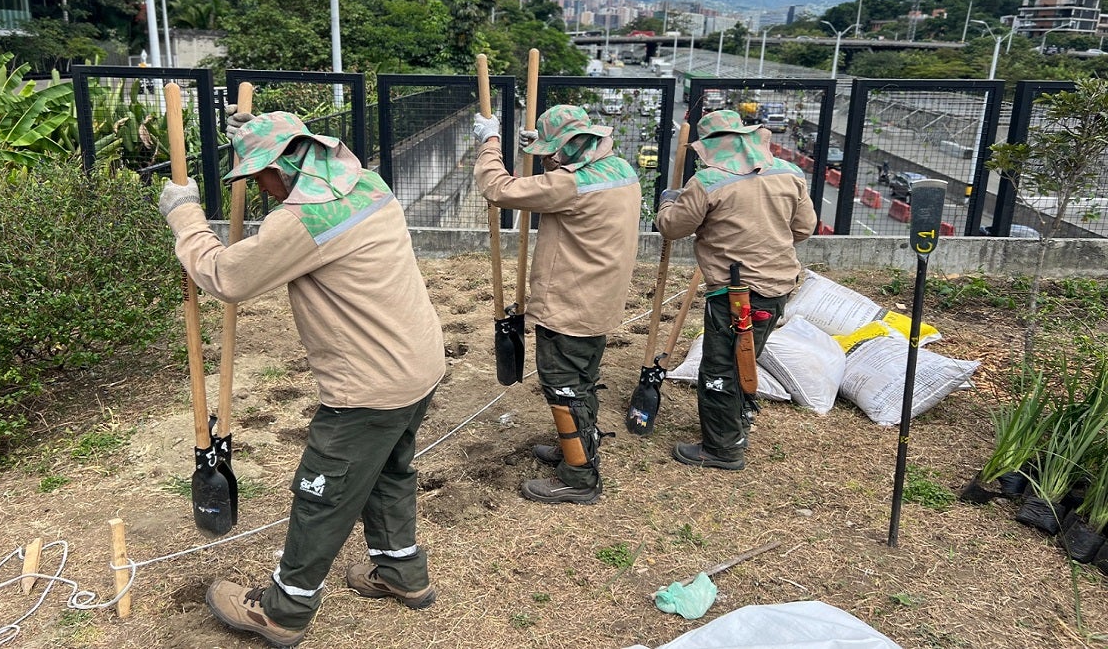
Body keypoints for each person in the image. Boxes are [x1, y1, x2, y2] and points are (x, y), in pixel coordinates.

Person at [158, 110, 446, 647]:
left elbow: (226, 276)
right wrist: (263, 130)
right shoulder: (365, 182)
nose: (258, 189)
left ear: (282, 167)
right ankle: (401, 572)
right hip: (418, 365)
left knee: (323, 493)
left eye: (258, 176)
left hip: (370, 386)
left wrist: (186, 217)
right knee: (388, 473)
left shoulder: (304, 219)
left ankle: (283, 610)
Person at [472, 104, 642, 505]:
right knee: (582, 379)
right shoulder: (620, 169)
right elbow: (564, 176)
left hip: (570, 304)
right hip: (599, 300)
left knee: (563, 387)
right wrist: (549, 150)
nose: (548, 157)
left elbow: (498, 188)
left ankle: (579, 476)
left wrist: (490, 141)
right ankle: (579, 443)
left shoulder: (570, 184)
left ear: (569, 147)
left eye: (553, 151)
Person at [655, 109, 816, 471]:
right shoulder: (789, 173)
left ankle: (722, 448)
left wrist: (668, 201)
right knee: (744, 358)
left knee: (720, 369)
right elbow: (804, 229)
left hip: (736, 292)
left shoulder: (708, 182)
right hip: (777, 287)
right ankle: (738, 420)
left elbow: (673, 227)